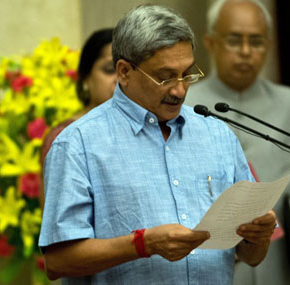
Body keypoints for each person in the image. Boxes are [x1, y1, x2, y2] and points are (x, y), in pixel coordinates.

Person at [38, 4, 277, 284]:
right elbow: (57, 261)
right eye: (165, 77)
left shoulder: (217, 135)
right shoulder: (78, 143)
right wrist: (143, 244)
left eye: (187, 73)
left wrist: (257, 237)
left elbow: (251, 257)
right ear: (124, 72)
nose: (180, 89)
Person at [185, 0, 290, 284]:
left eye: (256, 42)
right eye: (234, 40)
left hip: (281, 271)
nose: (245, 52)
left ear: (268, 46)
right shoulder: (185, 105)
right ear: (210, 42)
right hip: (207, 269)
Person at [39, 28, 117, 206]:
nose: (119, 79)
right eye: (110, 69)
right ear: (85, 79)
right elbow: (57, 220)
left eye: (128, 70)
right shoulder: (66, 136)